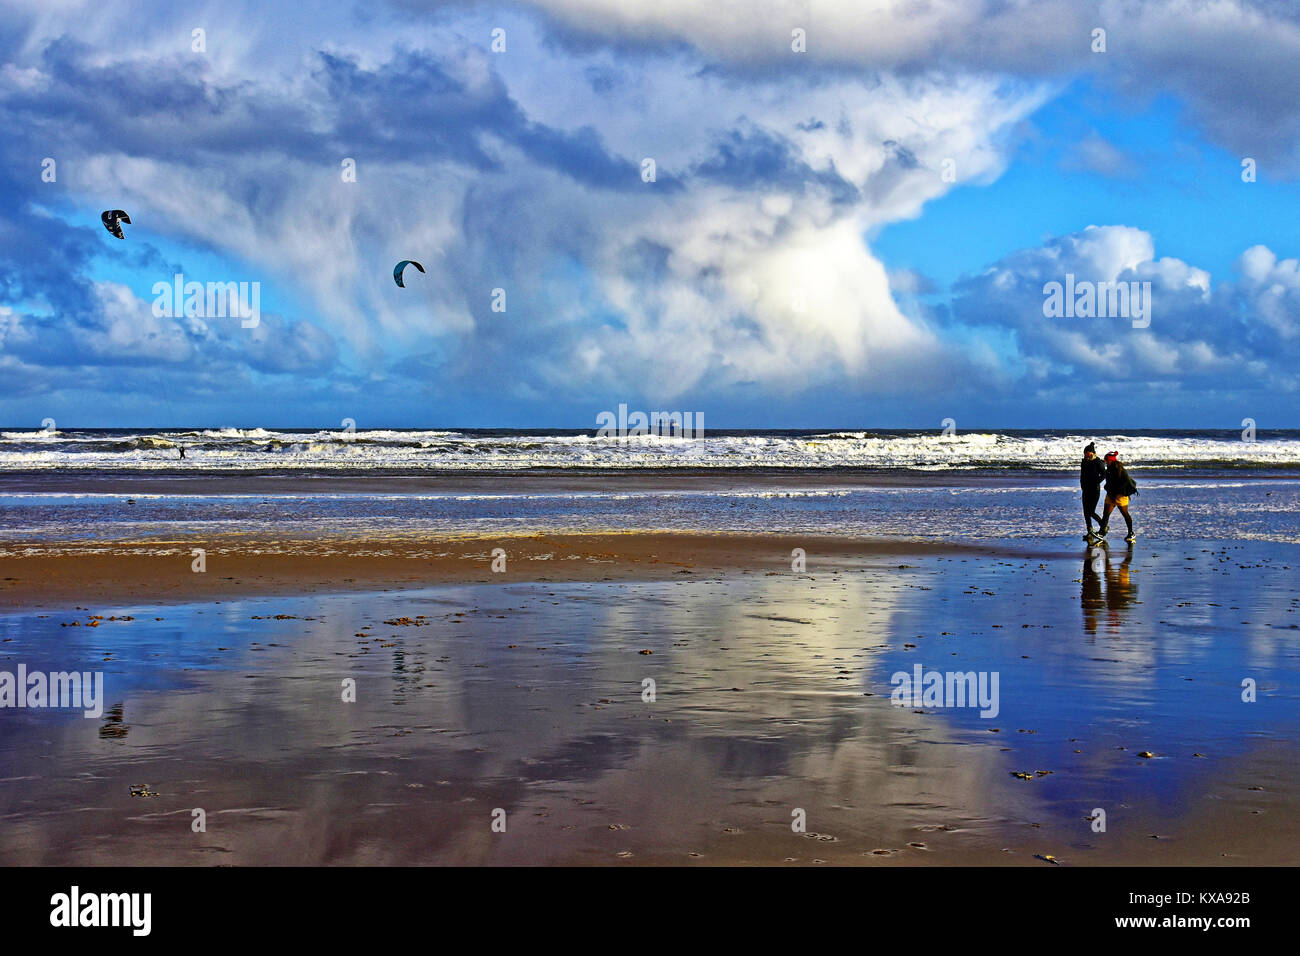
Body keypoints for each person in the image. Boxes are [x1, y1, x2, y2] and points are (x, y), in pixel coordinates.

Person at [1099, 451, 1137, 542]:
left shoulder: (1121, 470)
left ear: (1111, 461)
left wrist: (1117, 492)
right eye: (1105, 460)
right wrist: (1107, 487)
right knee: (1106, 514)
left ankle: (1131, 533)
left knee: (1125, 514)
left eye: (1106, 460)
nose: (1105, 462)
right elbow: (1109, 482)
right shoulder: (1108, 469)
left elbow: (1126, 482)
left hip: (1120, 495)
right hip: (1111, 494)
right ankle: (1101, 533)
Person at [1079, 442, 1106, 538]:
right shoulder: (1084, 462)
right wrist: (1082, 485)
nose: (1085, 455)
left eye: (1086, 453)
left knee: (1091, 511)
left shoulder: (1098, 462)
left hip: (1095, 490)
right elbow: (1082, 475)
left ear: (1091, 453)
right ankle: (1090, 531)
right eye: (1084, 453)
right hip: (1085, 490)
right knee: (1086, 512)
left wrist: (1097, 482)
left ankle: (1103, 525)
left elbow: (1104, 474)